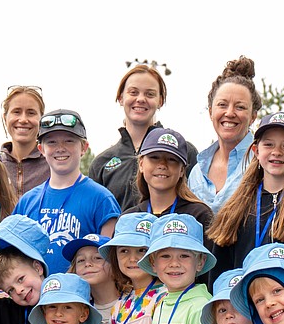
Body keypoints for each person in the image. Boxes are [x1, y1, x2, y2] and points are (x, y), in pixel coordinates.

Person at [207, 112, 284, 283]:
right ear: (256, 150)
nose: (276, 152)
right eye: (268, 144)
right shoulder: (235, 207)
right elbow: (220, 271)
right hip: (242, 303)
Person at [13, 109, 120, 270]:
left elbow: (109, 261)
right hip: (35, 294)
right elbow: (12, 257)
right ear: (41, 149)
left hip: (82, 294)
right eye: (52, 142)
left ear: (84, 147)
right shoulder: (27, 202)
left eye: (69, 141)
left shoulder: (102, 199)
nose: (60, 148)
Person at [91, 64, 198, 209]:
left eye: (150, 94)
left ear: (160, 101)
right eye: (133, 92)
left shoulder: (184, 151)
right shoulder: (101, 163)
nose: (141, 99)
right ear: (121, 98)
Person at [188, 57, 262, 214]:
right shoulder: (196, 172)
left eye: (240, 107)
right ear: (210, 112)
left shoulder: (263, 164)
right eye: (222, 105)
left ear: (253, 116)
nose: (229, 113)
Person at [124, 127, 213, 232]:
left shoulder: (199, 216)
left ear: (182, 171)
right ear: (141, 164)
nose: (162, 165)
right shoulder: (127, 219)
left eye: (172, 159)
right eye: (154, 157)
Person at [0, 85, 50, 195]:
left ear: (42, 119)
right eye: (16, 112)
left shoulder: (53, 165)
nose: (23, 120)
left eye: (31, 113)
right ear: (5, 117)